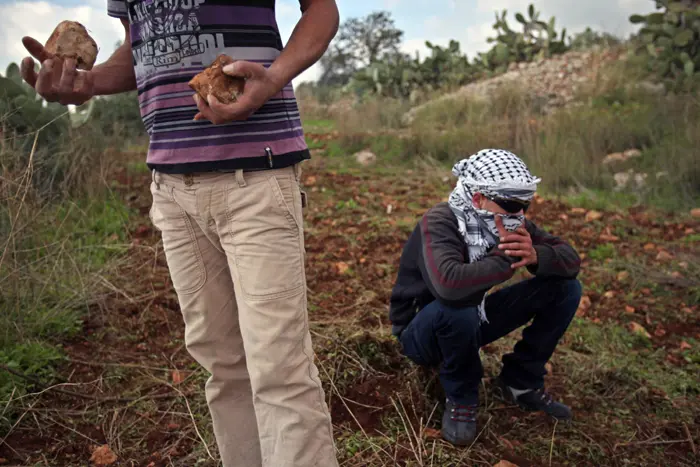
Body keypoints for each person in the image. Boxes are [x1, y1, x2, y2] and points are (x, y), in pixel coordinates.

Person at [19, 1, 340, 466]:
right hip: (173, 188)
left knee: (280, 370)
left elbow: (321, 9)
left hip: (255, 176)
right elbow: (143, 48)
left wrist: (274, 76)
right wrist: (88, 83)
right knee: (224, 367)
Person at [388, 149, 582, 446]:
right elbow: (449, 286)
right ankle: (462, 396)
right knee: (458, 306)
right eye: (510, 203)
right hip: (420, 332)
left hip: (466, 321)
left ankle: (520, 381)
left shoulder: (510, 220)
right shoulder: (441, 221)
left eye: (525, 204)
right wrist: (506, 258)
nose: (519, 213)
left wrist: (535, 255)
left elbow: (570, 259)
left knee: (566, 289)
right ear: (478, 198)